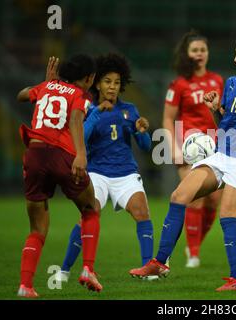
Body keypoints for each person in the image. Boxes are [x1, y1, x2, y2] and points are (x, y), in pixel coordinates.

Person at [130, 20, 236, 291]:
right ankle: (160, 261)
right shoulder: (231, 83)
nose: (235, 58)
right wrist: (216, 109)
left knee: (228, 216)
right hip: (221, 153)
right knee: (179, 196)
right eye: (235, 53)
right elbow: (224, 125)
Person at [55, 53, 156, 282]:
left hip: (125, 173)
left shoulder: (129, 110)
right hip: (97, 173)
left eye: (117, 82)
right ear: (98, 82)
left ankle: (147, 271)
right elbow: (81, 137)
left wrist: (142, 131)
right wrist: (95, 114)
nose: (112, 87)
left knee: (142, 212)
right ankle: (64, 270)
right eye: (108, 81)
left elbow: (146, 146)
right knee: (89, 215)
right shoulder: (87, 108)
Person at [16, 54, 103, 298]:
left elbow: (21, 95)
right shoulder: (81, 94)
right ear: (89, 78)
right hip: (61, 154)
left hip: (34, 154)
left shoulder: (45, 87)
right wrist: (81, 155)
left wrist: (44, 85)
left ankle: (26, 286)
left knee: (37, 228)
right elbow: (76, 118)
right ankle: (88, 268)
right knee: (90, 209)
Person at [163, 30, 223, 268]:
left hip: (214, 145)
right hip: (189, 145)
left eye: (203, 50)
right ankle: (194, 255)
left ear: (207, 54)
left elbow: (220, 114)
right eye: (195, 50)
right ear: (187, 54)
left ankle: (193, 243)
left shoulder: (217, 80)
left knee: (213, 202)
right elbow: (168, 119)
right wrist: (174, 149)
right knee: (194, 199)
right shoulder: (178, 84)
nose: (199, 54)